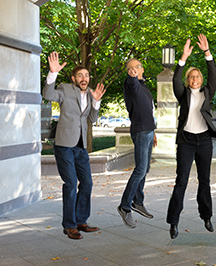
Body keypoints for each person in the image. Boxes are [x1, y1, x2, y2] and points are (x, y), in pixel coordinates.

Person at [43, 52, 106, 240]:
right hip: (64, 145)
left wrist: (96, 102)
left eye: (86, 75)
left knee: (87, 183)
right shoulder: (65, 89)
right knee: (70, 184)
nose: (84, 78)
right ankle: (69, 226)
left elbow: (92, 119)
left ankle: (81, 221)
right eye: (80, 75)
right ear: (73, 78)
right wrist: (52, 74)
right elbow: (48, 94)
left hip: (81, 147)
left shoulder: (91, 93)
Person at [166, 34, 216, 239]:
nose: (194, 79)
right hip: (187, 142)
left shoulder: (208, 92)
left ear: (201, 80)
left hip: (204, 141)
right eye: (191, 77)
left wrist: (207, 53)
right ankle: (173, 222)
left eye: (197, 76)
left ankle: (206, 216)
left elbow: (213, 74)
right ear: (188, 81)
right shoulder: (183, 94)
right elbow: (175, 80)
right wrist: (183, 59)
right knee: (182, 181)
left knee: (204, 181)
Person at [117, 58, 157, 228]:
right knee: (140, 169)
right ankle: (125, 206)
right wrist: (132, 78)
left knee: (145, 168)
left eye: (136, 67)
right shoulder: (130, 84)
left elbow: (149, 110)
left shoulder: (144, 85)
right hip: (140, 131)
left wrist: (154, 132)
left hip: (148, 130)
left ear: (142, 68)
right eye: (130, 68)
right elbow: (132, 84)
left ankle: (137, 202)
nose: (133, 70)